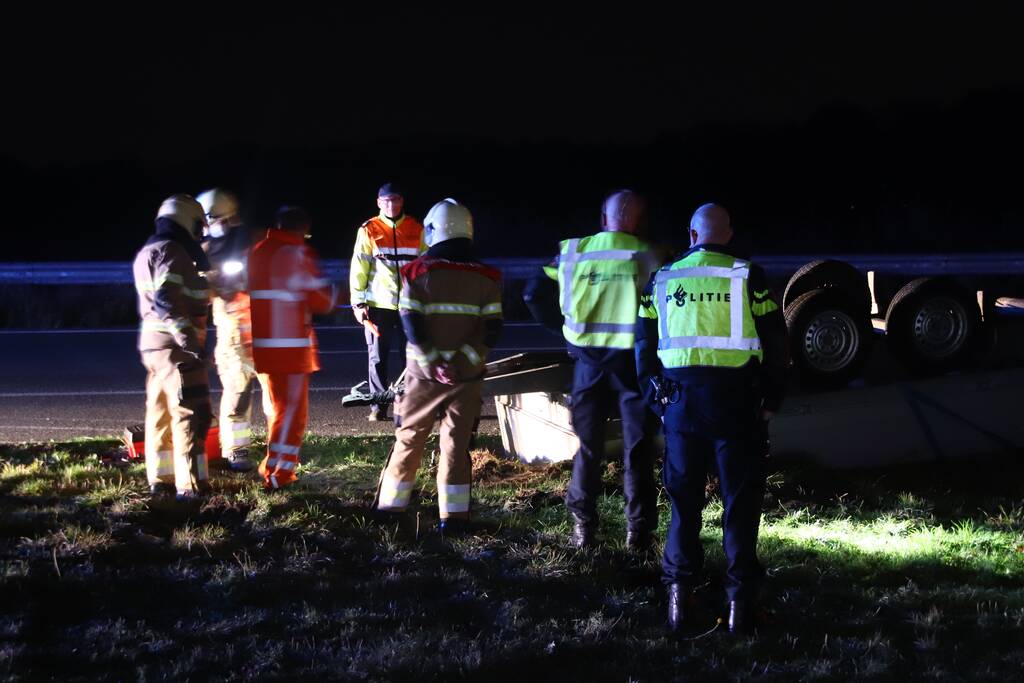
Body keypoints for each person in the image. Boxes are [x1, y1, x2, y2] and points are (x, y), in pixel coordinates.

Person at [636, 203, 788, 634]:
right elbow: (777, 343)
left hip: (680, 405)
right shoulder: (748, 276)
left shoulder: (663, 279)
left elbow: (643, 346)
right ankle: (741, 608)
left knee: (684, 506)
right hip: (738, 405)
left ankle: (678, 604)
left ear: (691, 234)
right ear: (729, 233)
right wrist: (772, 399)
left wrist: (656, 399)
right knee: (739, 506)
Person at [540, 190, 661, 550]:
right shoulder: (647, 255)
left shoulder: (576, 250)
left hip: (589, 365)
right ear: (637, 220)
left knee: (589, 448)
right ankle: (638, 534)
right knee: (638, 449)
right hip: (632, 368)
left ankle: (583, 529)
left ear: (604, 217)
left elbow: (534, 293)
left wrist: (567, 335)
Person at [374, 199, 503, 535]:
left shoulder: (416, 273)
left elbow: (410, 322)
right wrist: (461, 363)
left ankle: (391, 511)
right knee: (457, 446)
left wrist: (434, 362)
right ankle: (455, 519)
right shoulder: (488, 277)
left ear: (433, 230)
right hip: (467, 376)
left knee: (409, 439)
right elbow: (491, 329)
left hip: (424, 375)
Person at [132, 194, 213, 500]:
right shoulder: (173, 251)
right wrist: (190, 343)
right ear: (186, 220)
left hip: (153, 347)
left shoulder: (148, 250)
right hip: (177, 350)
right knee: (191, 414)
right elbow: (169, 300)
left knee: (160, 414)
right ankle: (191, 488)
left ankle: (161, 479)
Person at [249, 206, 335, 490]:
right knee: (290, 416)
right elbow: (320, 300)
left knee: (277, 411)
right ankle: (278, 475)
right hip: (292, 348)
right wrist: (337, 294)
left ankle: (272, 468)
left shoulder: (259, 250)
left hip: (265, 346)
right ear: (302, 230)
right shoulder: (297, 253)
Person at [349, 183, 426, 421]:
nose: (391, 204)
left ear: (402, 201)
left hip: (409, 305)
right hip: (378, 306)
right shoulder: (369, 229)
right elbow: (359, 268)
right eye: (386, 201)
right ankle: (378, 408)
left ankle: (410, 405)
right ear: (378, 203)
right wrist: (358, 304)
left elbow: (426, 267)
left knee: (411, 357)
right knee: (378, 357)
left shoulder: (417, 228)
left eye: (395, 200)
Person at [198, 188, 257, 471]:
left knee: (274, 397)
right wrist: (212, 284)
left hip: (262, 329)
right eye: (211, 220)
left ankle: (281, 448)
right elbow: (201, 294)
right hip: (233, 335)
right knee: (236, 393)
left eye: (219, 219)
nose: (215, 225)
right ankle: (236, 450)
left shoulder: (249, 241)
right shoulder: (203, 251)